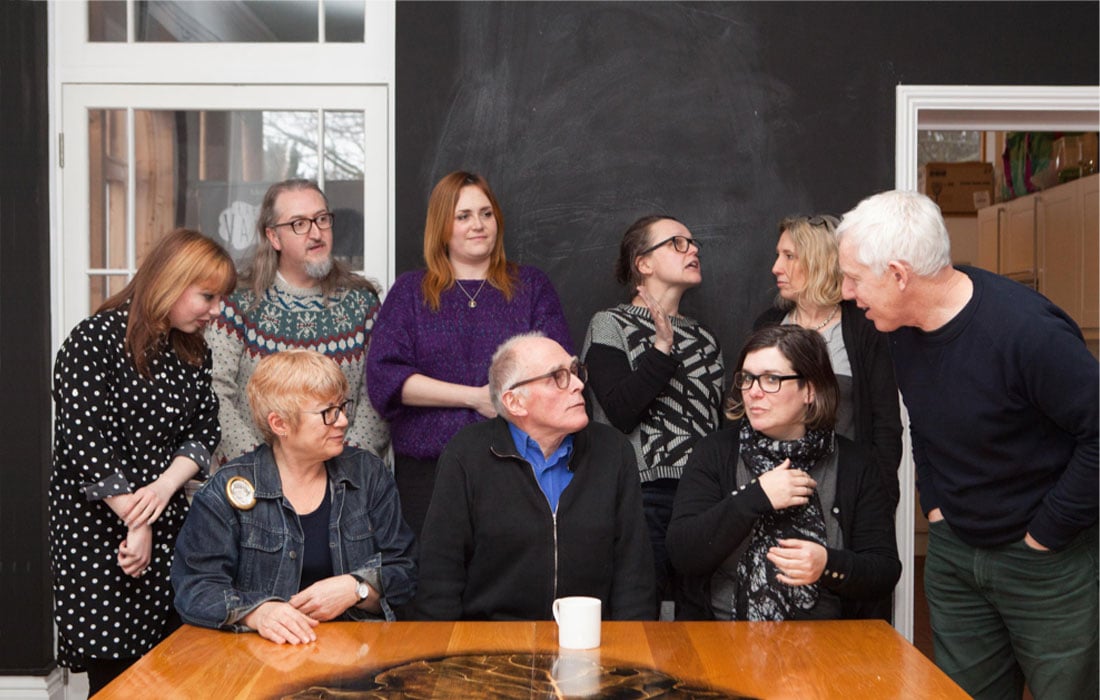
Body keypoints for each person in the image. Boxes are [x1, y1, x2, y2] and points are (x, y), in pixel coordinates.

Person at [835, 190, 1098, 700]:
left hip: (1048, 561)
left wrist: (1047, 533)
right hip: (956, 554)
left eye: (854, 278)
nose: (847, 292)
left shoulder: (1028, 333)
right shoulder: (898, 327)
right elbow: (925, 420)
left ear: (898, 274)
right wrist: (935, 506)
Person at [49, 228, 236, 694]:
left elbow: (204, 431)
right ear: (171, 281)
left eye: (221, 298)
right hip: (97, 534)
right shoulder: (94, 340)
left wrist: (162, 489)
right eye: (208, 296)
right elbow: (84, 441)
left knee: (173, 669)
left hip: (166, 524)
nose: (217, 310)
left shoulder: (192, 351)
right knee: (114, 679)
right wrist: (136, 520)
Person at [367, 171, 572, 537]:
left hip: (518, 465)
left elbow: (559, 370)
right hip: (428, 473)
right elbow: (385, 378)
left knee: (513, 567)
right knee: (433, 568)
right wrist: (476, 398)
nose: (478, 225)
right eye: (463, 216)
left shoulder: (530, 286)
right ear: (442, 227)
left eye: (486, 213)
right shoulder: (411, 292)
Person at [172, 349, 416, 644]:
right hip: (259, 653)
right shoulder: (225, 489)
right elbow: (195, 587)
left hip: (356, 650)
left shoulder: (368, 474)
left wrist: (356, 588)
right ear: (279, 424)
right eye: (328, 412)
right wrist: (257, 613)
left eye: (342, 407)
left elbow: (405, 571)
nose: (342, 421)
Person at [413, 333, 656, 621]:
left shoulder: (613, 451)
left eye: (575, 371)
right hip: (489, 642)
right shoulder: (466, 455)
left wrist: (631, 645)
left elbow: (634, 573)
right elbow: (439, 578)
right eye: (557, 377)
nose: (578, 385)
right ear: (515, 402)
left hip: (588, 638)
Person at [667, 325, 901, 622]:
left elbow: (884, 571)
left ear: (810, 390)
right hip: (724, 633)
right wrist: (754, 498)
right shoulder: (714, 452)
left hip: (827, 638)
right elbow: (682, 553)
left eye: (771, 379)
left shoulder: (856, 464)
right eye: (747, 378)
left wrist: (827, 564)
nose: (753, 392)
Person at [581, 215, 724, 612]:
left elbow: (715, 424)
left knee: (698, 618)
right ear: (643, 263)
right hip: (644, 496)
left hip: (704, 498)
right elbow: (621, 411)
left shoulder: (706, 338)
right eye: (677, 243)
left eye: (693, 242)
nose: (692, 249)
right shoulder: (610, 324)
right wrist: (662, 348)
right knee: (639, 613)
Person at [206, 179, 389, 465]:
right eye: (299, 224)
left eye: (322, 219)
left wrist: (346, 468)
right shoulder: (237, 303)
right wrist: (261, 468)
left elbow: (377, 395)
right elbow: (215, 391)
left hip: (344, 477)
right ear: (274, 237)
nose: (316, 233)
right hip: (254, 478)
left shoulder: (362, 303)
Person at [754, 215, 901, 511]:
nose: (776, 267)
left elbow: (886, 424)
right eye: (778, 255)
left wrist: (879, 499)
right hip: (775, 494)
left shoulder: (864, 328)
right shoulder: (768, 326)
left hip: (845, 496)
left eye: (789, 256)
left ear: (819, 261)